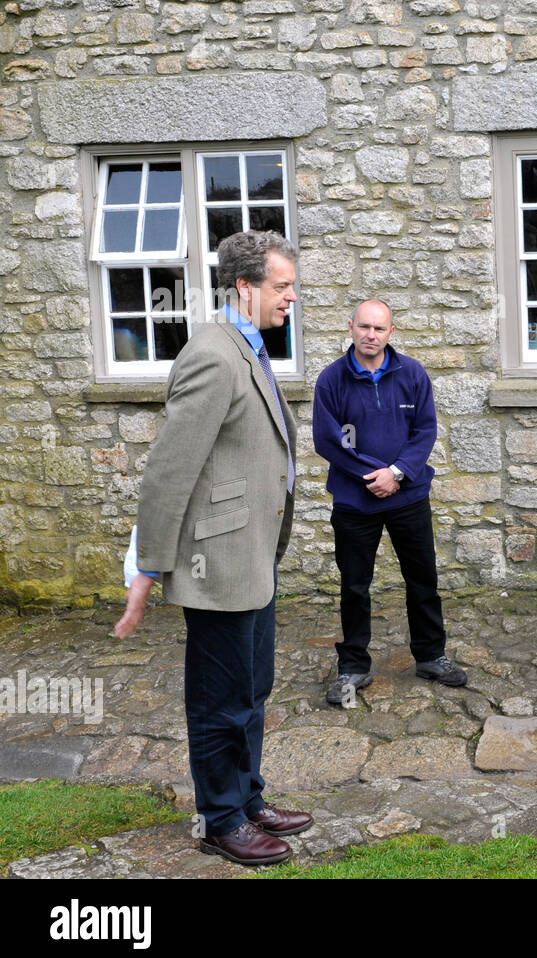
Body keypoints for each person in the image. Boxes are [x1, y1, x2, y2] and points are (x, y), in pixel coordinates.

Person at [113, 230, 312, 866]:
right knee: (221, 698)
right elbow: (170, 471)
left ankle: (248, 797)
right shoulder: (212, 355)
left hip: (252, 557)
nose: (291, 298)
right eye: (281, 287)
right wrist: (146, 566)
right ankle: (221, 819)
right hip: (219, 562)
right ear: (245, 288)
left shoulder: (247, 347)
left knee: (254, 688)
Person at [312, 299, 466, 705]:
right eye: (364, 327)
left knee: (422, 580)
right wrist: (373, 475)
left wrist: (396, 473)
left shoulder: (412, 373)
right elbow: (329, 441)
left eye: (379, 329)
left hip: (407, 495)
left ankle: (431, 655)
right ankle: (354, 666)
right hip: (353, 501)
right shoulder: (331, 380)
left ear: (391, 333)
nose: (371, 335)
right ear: (350, 328)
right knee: (354, 586)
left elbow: (425, 430)